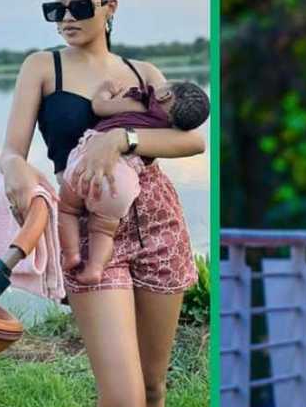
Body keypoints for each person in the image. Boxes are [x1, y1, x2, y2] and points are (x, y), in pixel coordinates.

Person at [0, 0, 203, 407]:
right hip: (88, 228)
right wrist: (16, 171)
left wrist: (122, 138)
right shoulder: (42, 67)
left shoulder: (143, 75)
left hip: (156, 222)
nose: (67, 17)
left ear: (111, 7)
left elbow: (191, 140)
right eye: (56, 8)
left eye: (80, 6)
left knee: (153, 387)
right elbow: (12, 151)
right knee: (122, 405)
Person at [58, 77, 209, 284]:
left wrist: (104, 90)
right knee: (103, 230)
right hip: (123, 182)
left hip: (90, 163)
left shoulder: (142, 102)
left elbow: (100, 107)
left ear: (165, 95)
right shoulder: (169, 129)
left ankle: (71, 254)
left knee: (67, 210)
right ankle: (95, 268)